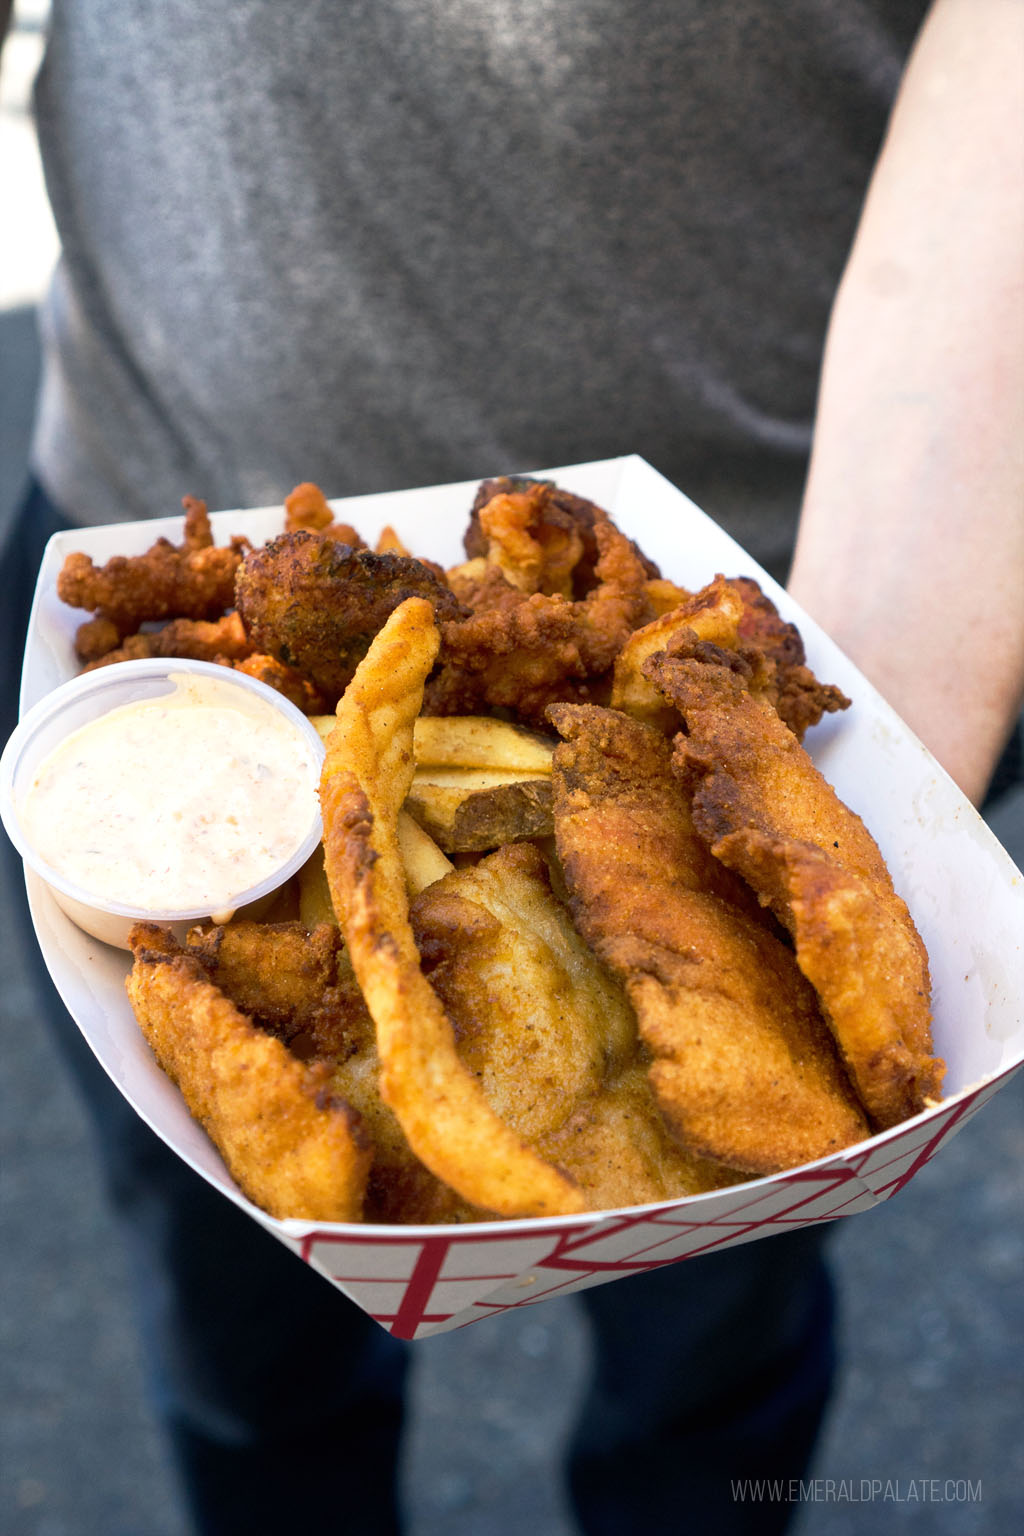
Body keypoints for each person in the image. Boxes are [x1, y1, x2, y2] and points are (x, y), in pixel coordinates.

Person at [1, 2, 1021, 1533]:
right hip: (150, 491)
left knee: (712, 1355)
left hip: (818, 543)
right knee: (244, 1350)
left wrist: (893, 675)